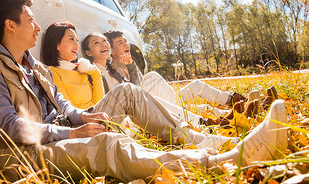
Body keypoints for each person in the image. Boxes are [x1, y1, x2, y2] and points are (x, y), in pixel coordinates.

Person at [0, 0, 288, 183]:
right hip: (13, 156)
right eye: (30, 20)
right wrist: (70, 134)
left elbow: (65, 107)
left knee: (128, 93)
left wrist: (82, 119)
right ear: (10, 25)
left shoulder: (35, 68)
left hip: (56, 131)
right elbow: (7, 127)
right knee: (110, 143)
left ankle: (210, 140)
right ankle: (226, 161)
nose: (36, 27)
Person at [84, 32, 261, 127]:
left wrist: (131, 66)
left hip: (159, 101)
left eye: (126, 41)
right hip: (146, 107)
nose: (127, 45)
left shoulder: (122, 66)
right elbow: (134, 93)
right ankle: (215, 118)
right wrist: (129, 67)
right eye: (120, 43)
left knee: (196, 86)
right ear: (111, 52)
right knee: (154, 79)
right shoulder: (108, 70)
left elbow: (138, 88)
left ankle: (234, 102)